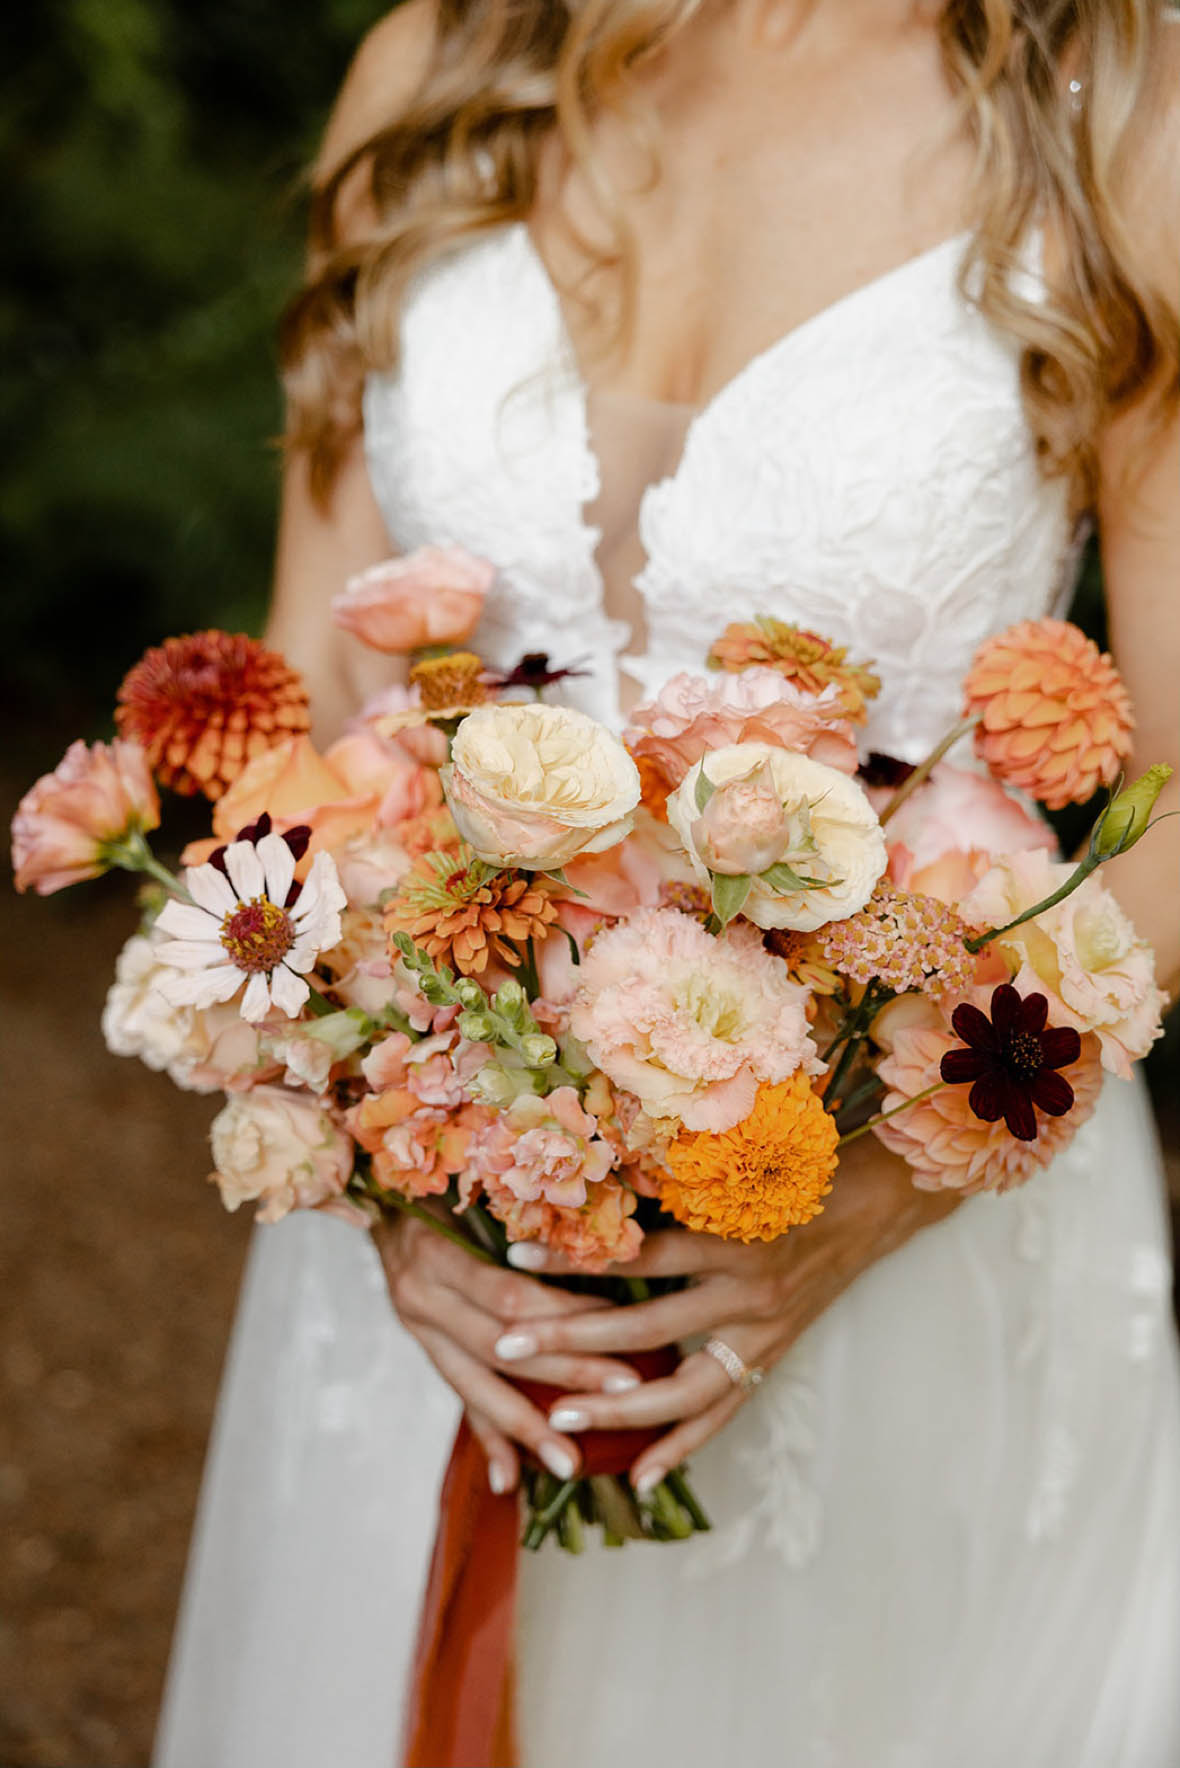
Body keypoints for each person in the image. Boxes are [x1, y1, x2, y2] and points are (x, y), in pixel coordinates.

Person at [154, 3, 1180, 1764]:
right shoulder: (440, 63)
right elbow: (306, 698)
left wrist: (873, 1197)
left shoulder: (1123, 104)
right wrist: (376, 1150)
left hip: (897, 1225)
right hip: (432, 1240)